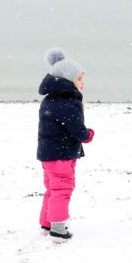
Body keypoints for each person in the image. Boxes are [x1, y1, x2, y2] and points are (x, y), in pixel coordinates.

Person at [37, 47, 94, 240]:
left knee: (52, 189)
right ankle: (58, 229)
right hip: (61, 154)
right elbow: (77, 129)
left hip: (48, 154)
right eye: (79, 78)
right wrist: (88, 135)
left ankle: (46, 223)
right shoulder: (67, 102)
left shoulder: (51, 100)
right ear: (68, 80)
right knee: (62, 190)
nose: (82, 82)